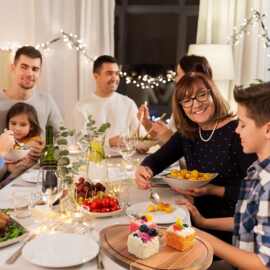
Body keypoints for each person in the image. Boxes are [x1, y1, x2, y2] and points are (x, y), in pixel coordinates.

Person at [135, 72, 256, 244]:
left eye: (201, 95)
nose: (196, 104)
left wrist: (212, 189)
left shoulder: (237, 132)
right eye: (187, 100)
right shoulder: (189, 132)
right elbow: (159, 158)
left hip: (230, 223)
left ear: (212, 93)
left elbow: (254, 192)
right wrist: (144, 169)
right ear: (181, 107)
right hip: (194, 215)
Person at [180, 82, 270, 269]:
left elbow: (263, 264)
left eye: (243, 125)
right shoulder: (258, 169)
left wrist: (203, 238)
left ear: (267, 130)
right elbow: (249, 222)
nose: (236, 130)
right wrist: (203, 222)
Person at [0, 46, 63, 159]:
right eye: (24, 67)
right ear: (13, 68)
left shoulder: (46, 101)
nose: (29, 73)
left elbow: (63, 137)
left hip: (38, 171)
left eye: (35, 69)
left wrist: (48, 150)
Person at [139, 55, 213, 144]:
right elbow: (166, 143)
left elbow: (196, 153)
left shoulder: (204, 111)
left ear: (191, 76)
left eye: (178, 74)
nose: (176, 79)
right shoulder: (182, 106)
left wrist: (169, 137)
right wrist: (146, 123)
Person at [74, 55, 142, 147]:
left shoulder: (129, 103)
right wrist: (109, 142)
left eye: (117, 73)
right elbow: (80, 142)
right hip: (94, 160)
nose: (115, 78)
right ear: (96, 76)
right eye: (109, 73)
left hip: (125, 159)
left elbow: (139, 138)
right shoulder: (82, 106)